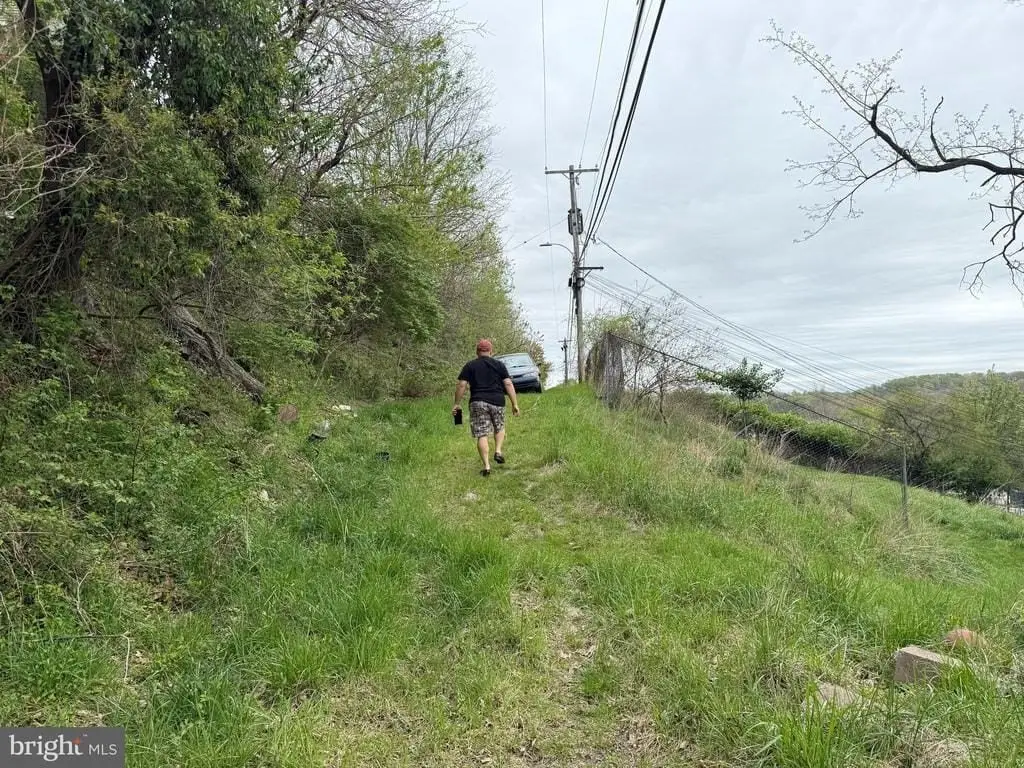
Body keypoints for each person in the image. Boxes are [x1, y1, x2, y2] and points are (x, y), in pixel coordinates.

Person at [453, 339, 520, 476]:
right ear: (491, 351)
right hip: (497, 401)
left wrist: (457, 403)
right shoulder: (499, 365)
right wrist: (514, 404)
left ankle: (487, 466)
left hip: (478, 402)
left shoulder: (470, 365)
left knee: (482, 434)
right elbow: (508, 384)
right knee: (499, 427)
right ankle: (498, 451)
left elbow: (462, 385)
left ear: (477, 352)